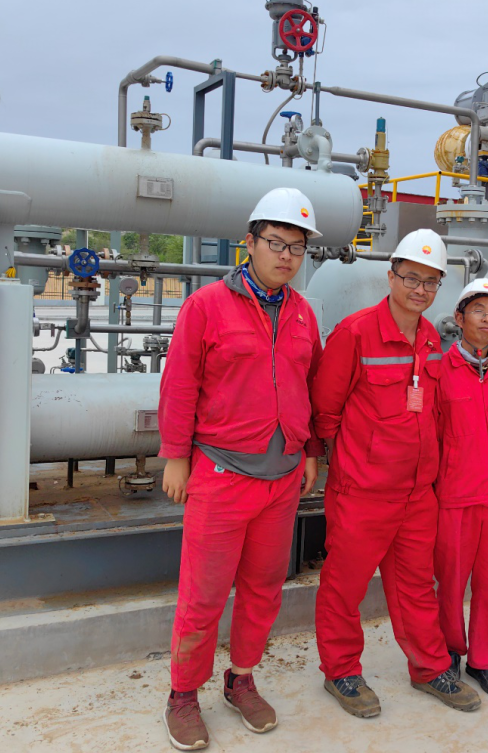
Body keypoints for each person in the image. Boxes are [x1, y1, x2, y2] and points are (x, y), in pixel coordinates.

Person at [157, 187, 325, 750]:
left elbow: (309, 387)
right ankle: (183, 695)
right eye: (277, 243)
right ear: (249, 243)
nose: (287, 256)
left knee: (263, 589)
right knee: (204, 594)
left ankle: (242, 679)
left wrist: (310, 451)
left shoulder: (302, 313)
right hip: (221, 473)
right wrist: (176, 456)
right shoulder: (207, 306)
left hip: (282, 479)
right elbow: (180, 383)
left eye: (297, 248)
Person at [312, 229, 481, 718]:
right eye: (411, 278)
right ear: (391, 277)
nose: (420, 290)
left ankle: (429, 668)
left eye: (431, 282)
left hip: (417, 493)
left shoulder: (430, 338)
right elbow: (325, 410)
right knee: (344, 586)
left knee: (416, 587)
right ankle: (341, 672)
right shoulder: (355, 333)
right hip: (363, 492)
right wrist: (348, 462)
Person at [434, 278, 488, 699]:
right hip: (456, 492)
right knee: (450, 580)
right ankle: (448, 652)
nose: (487, 319)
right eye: (478, 310)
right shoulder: (439, 370)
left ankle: (484, 660)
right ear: (459, 317)